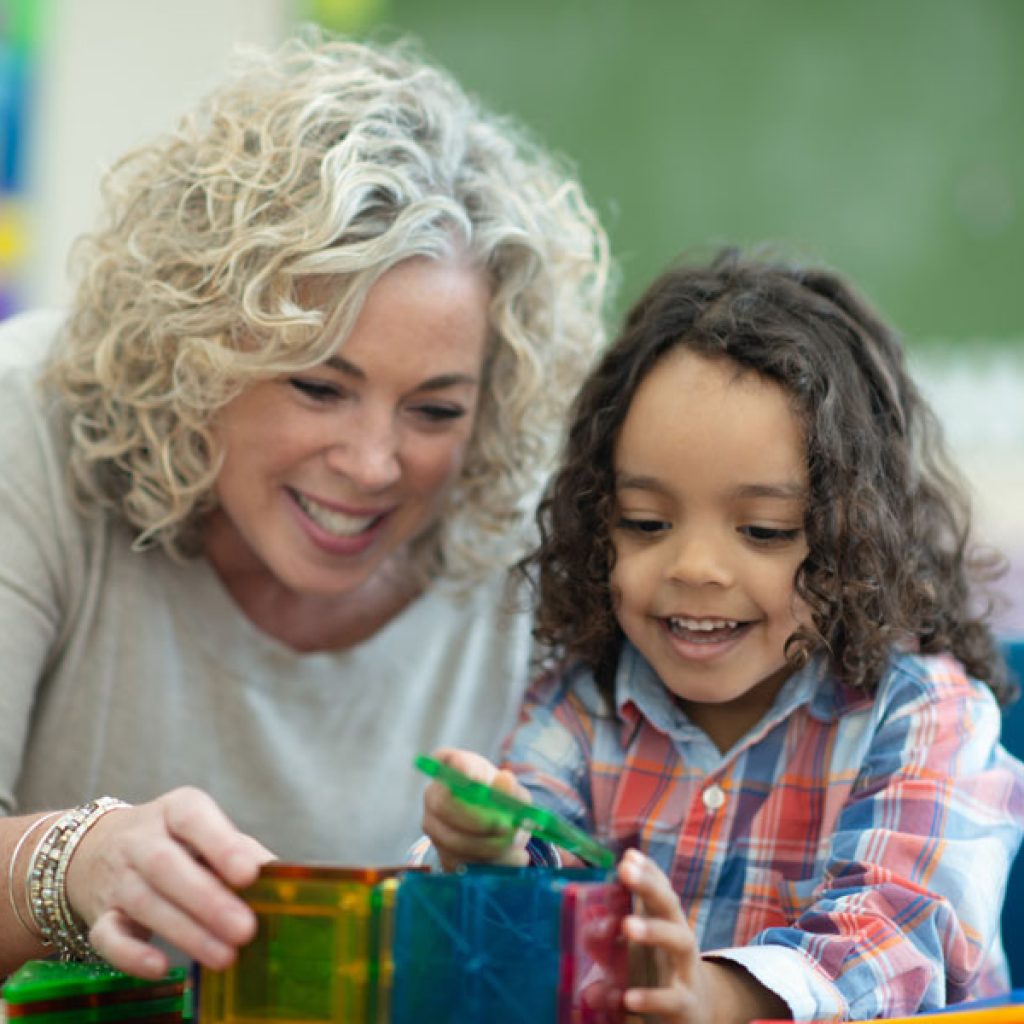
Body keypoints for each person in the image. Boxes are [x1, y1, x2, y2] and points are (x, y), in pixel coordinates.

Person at [0, 34, 609, 979]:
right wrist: (75, 863)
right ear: (198, 349)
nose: (373, 465)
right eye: (319, 387)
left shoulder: (535, 523)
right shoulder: (23, 423)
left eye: (436, 409)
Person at [422, 249, 1024, 1022]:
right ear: (597, 524)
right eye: (647, 522)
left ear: (855, 537)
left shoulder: (923, 719)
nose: (696, 567)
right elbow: (515, 927)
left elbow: (897, 941)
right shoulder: (582, 710)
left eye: (764, 530)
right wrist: (487, 851)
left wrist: (715, 998)